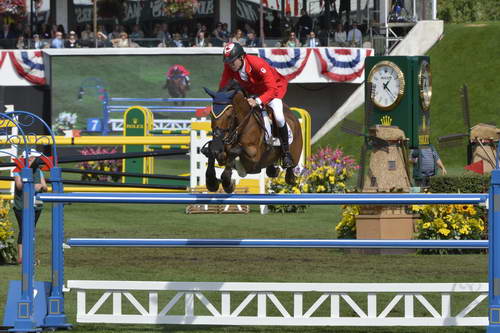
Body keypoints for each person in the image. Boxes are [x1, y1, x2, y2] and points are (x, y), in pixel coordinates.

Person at [218, 42, 293, 168]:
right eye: (228, 61)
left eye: (232, 61)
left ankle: (286, 153)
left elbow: (272, 88)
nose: (230, 65)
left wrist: (258, 101)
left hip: (272, 90)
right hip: (252, 92)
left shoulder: (257, 64)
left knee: (279, 117)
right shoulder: (229, 67)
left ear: (241, 57)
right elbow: (223, 86)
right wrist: (219, 101)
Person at [13, 149, 48, 264]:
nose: (36, 160)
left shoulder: (39, 171)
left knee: (31, 230)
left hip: (36, 205)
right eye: (33, 158)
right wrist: (32, 185)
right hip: (21, 205)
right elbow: (19, 186)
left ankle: (30, 256)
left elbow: (45, 187)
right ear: (27, 159)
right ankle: (22, 258)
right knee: (24, 229)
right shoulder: (17, 170)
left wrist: (41, 187)